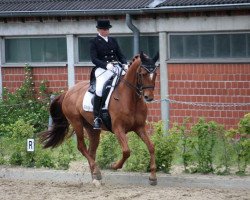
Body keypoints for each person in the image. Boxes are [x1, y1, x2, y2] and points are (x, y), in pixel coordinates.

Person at [90, 19, 127, 129]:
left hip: (116, 67)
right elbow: (94, 59)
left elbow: (120, 54)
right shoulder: (94, 41)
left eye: (107, 29)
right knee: (100, 89)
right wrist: (106, 65)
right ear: (99, 30)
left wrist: (125, 63)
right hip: (102, 69)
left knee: (128, 81)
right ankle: (96, 117)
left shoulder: (113, 40)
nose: (106, 31)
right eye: (104, 29)